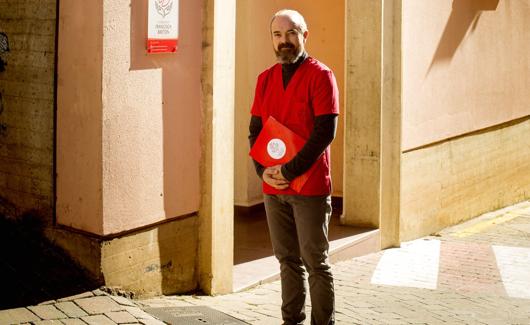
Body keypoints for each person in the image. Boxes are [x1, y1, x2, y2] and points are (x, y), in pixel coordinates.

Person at [248, 9, 339, 325]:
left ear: (304, 34)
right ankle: (291, 320)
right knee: (286, 259)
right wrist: (264, 171)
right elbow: (255, 132)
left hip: (309, 186)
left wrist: (288, 171)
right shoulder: (265, 79)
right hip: (273, 187)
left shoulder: (321, 76)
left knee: (315, 261)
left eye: (291, 33)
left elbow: (324, 132)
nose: (283, 40)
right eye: (277, 34)